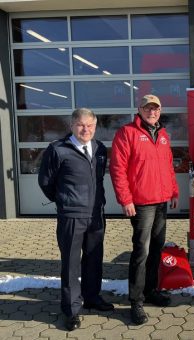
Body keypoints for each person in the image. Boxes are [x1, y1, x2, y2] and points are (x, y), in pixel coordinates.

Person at [38, 108, 113, 331]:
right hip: (71, 216)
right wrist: (64, 200)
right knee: (71, 264)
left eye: (90, 125)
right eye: (81, 124)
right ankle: (71, 309)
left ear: (95, 126)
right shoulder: (57, 150)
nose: (85, 129)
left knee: (94, 258)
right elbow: (45, 181)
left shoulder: (100, 148)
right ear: (71, 125)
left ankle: (92, 297)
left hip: (96, 214)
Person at [110, 94, 179, 325]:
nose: (152, 112)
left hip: (161, 202)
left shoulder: (162, 134)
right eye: (148, 108)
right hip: (141, 203)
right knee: (141, 251)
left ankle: (150, 291)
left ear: (160, 111)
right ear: (139, 109)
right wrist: (125, 199)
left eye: (156, 109)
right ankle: (136, 301)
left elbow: (168, 165)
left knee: (156, 248)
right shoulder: (126, 133)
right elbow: (118, 169)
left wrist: (174, 191)